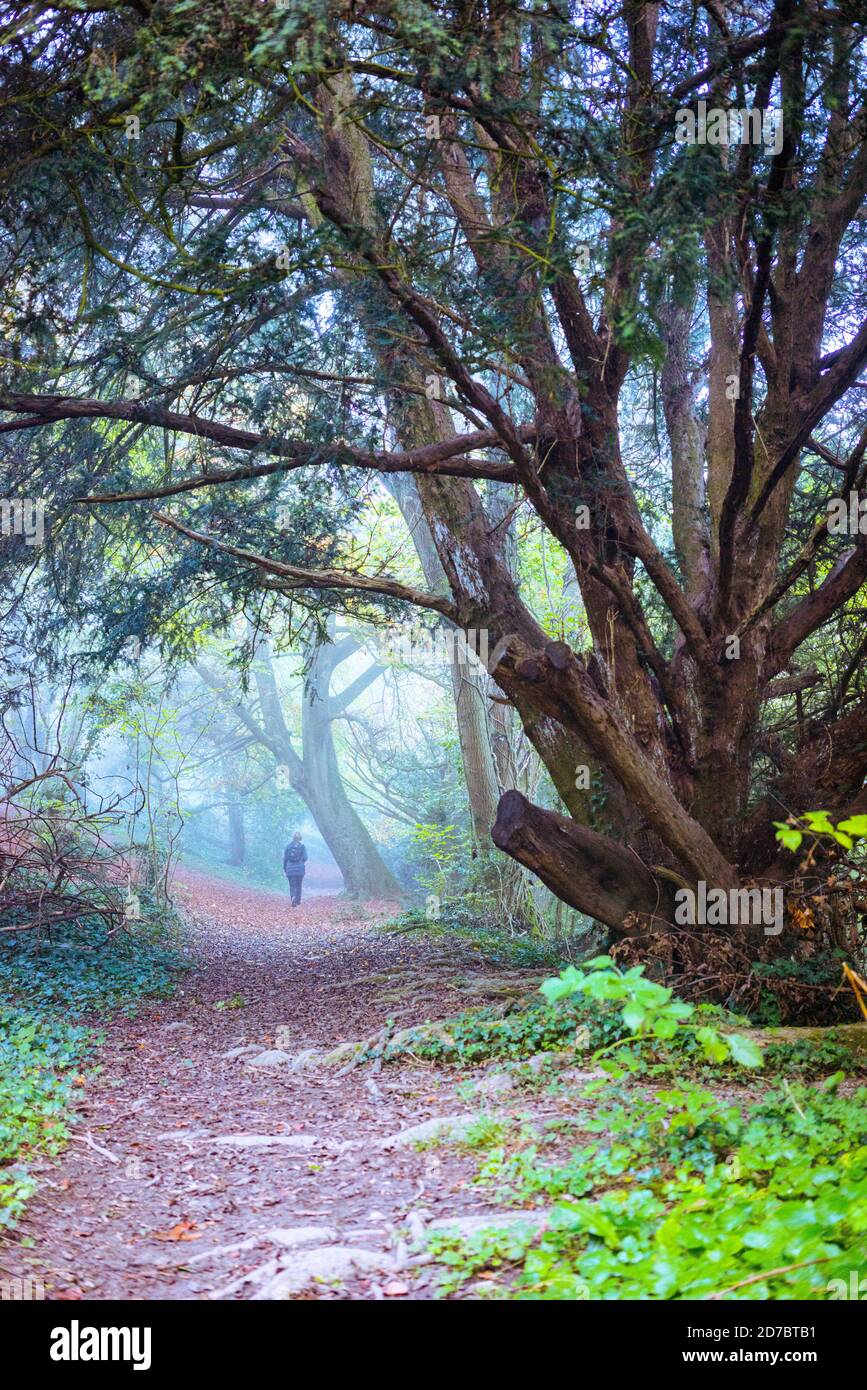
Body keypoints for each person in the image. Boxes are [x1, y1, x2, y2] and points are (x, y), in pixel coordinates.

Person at [282, 830, 308, 906]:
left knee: (292, 885)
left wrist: (285, 868)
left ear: (293, 838)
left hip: (290, 868)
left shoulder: (288, 846)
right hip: (300, 869)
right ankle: (298, 900)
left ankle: (293, 897)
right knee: (299, 885)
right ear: (300, 838)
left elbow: (285, 859)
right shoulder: (302, 846)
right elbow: (305, 857)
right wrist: (301, 862)